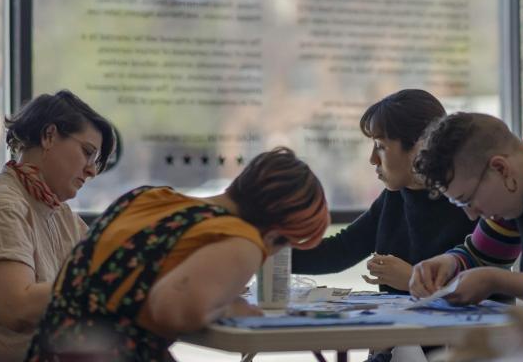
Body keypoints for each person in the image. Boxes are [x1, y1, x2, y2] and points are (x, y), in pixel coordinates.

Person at [25, 146, 330, 362]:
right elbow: (171, 309)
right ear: (276, 232)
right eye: (283, 244)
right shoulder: (243, 239)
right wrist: (228, 308)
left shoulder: (148, 198)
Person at [0, 90, 116, 362]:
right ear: (49, 136)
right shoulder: (1, 205)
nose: (92, 170)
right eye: (87, 153)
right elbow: (16, 308)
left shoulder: (62, 216)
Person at [292, 89, 476, 294]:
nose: (372, 159)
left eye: (380, 146)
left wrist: (412, 279)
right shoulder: (394, 197)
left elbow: (485, 283)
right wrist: (265, 252)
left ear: (419, 146)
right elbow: (341, 251)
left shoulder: (470, 201)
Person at [410, 112, 523, 312]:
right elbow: (480, 255)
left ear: (501, 168)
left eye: (468, 201)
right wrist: (449, 263)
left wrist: (496, 281)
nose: (471, 215)